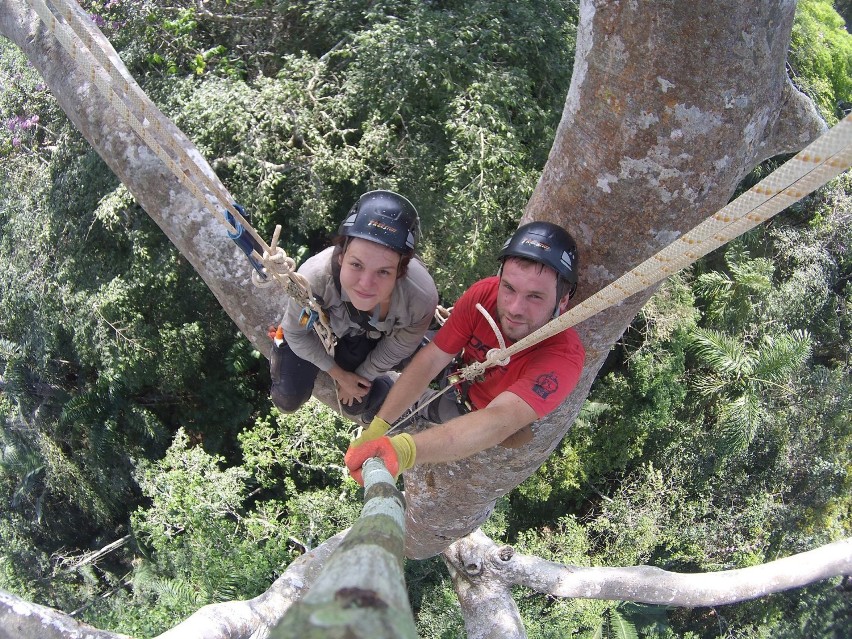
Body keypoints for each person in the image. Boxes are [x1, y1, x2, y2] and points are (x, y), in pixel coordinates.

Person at [344, 221, 586, 483]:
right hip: (461, 371)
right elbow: (434, 357)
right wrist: (381, 425)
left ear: (562, 301)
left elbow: (497, 420)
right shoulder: (485, 296)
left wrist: (404, 451)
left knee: (408, 403)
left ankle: (414, 403)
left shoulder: (562, 355)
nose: (515, 308)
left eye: (535, 297)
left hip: (475, 409)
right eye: (509, 288)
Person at [270, 190, 439, 421]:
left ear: (400, 271)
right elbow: (296, 333)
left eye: (383, 272)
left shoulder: (419, 298)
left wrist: (360, 376)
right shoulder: (315, 278)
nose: (366, 284)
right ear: (341, 255)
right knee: (287, 398)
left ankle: (387, 388)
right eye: (356, 265)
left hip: (364, 337)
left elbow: (399, 345)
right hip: (323, 330)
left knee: (356, 403)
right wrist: (338, 375)